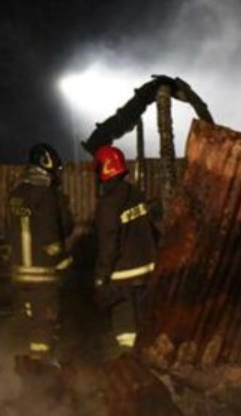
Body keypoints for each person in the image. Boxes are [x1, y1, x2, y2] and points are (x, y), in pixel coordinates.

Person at [7, 143, 75, 359]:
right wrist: (64, 262)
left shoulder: (15, 195)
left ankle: (27, 365)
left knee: (28, 322)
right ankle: (42, 370)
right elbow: (56, 232)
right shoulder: (47, 196)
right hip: (43, 275)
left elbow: (8, 231)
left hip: (20, 276)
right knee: (44, 325)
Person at [92, 145, 158, 352]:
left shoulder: (108, 204)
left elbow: (108, 245)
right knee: (146, 325)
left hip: (123, 279)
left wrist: (100, 278)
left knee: (126, 332)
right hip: (147, 274)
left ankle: (130, 366)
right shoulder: (136, 194)